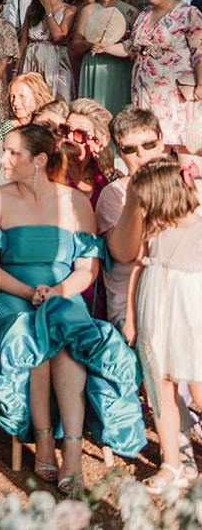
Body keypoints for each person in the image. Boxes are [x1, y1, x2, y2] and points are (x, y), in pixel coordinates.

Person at [0, 123, 145, 488]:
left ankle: (70, 447)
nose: (3, 159)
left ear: (38, 160)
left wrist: (57, 292)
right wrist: (29, 292)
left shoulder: (75, 202)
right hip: (7, 292)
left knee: (65, 338)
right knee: (36, 332)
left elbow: (87, 269)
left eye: (12, 153)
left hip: (63, 292)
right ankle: (43, 439)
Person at [125, 157, 202, 492]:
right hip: (153, 310)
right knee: (161, 389)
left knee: (199, 387)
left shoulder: (199, 228)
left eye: (144, 199)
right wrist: (130, 318)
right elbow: (138, 268)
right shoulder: (152, 229)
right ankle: (172, 463)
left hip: (190, 313)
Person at [99, 107, 167, 326]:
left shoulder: (183, 184)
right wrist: (134, 198)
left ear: (161, 141)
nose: (141, 154)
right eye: (130, 149)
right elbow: (124, 254)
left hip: (177, 297)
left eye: (149, 145)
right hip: (132, 308)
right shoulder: (113, 194)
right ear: (119, 151)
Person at [130, 0, 202, 145]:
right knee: (150, 141)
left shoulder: (188, 13)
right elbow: (132, 47)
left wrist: (201, 84)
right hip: (144, 87)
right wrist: (104, 47)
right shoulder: (145, 13)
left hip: (174, 89)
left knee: (179, 140)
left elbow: (200, 50)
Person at [71, 0, 135, 114]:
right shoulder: (88, 10)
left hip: (119, 67)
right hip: (94, 65)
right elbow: (76, 43)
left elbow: (136, 44)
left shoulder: (130, 12)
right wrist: (89, 44)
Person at [19, 0, 74, 102]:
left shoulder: (69, 10)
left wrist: (48, 9)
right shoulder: (32, 10)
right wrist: (15, 72)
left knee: (60, 101)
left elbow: (58, 36)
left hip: (57, 60)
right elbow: (23, 43)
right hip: (32, 58)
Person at [3, 72, 54, 138]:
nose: (15, 103)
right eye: (12, 96)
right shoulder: (6, 128)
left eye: (22, 96)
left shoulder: (49, 127)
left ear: (38, 97)